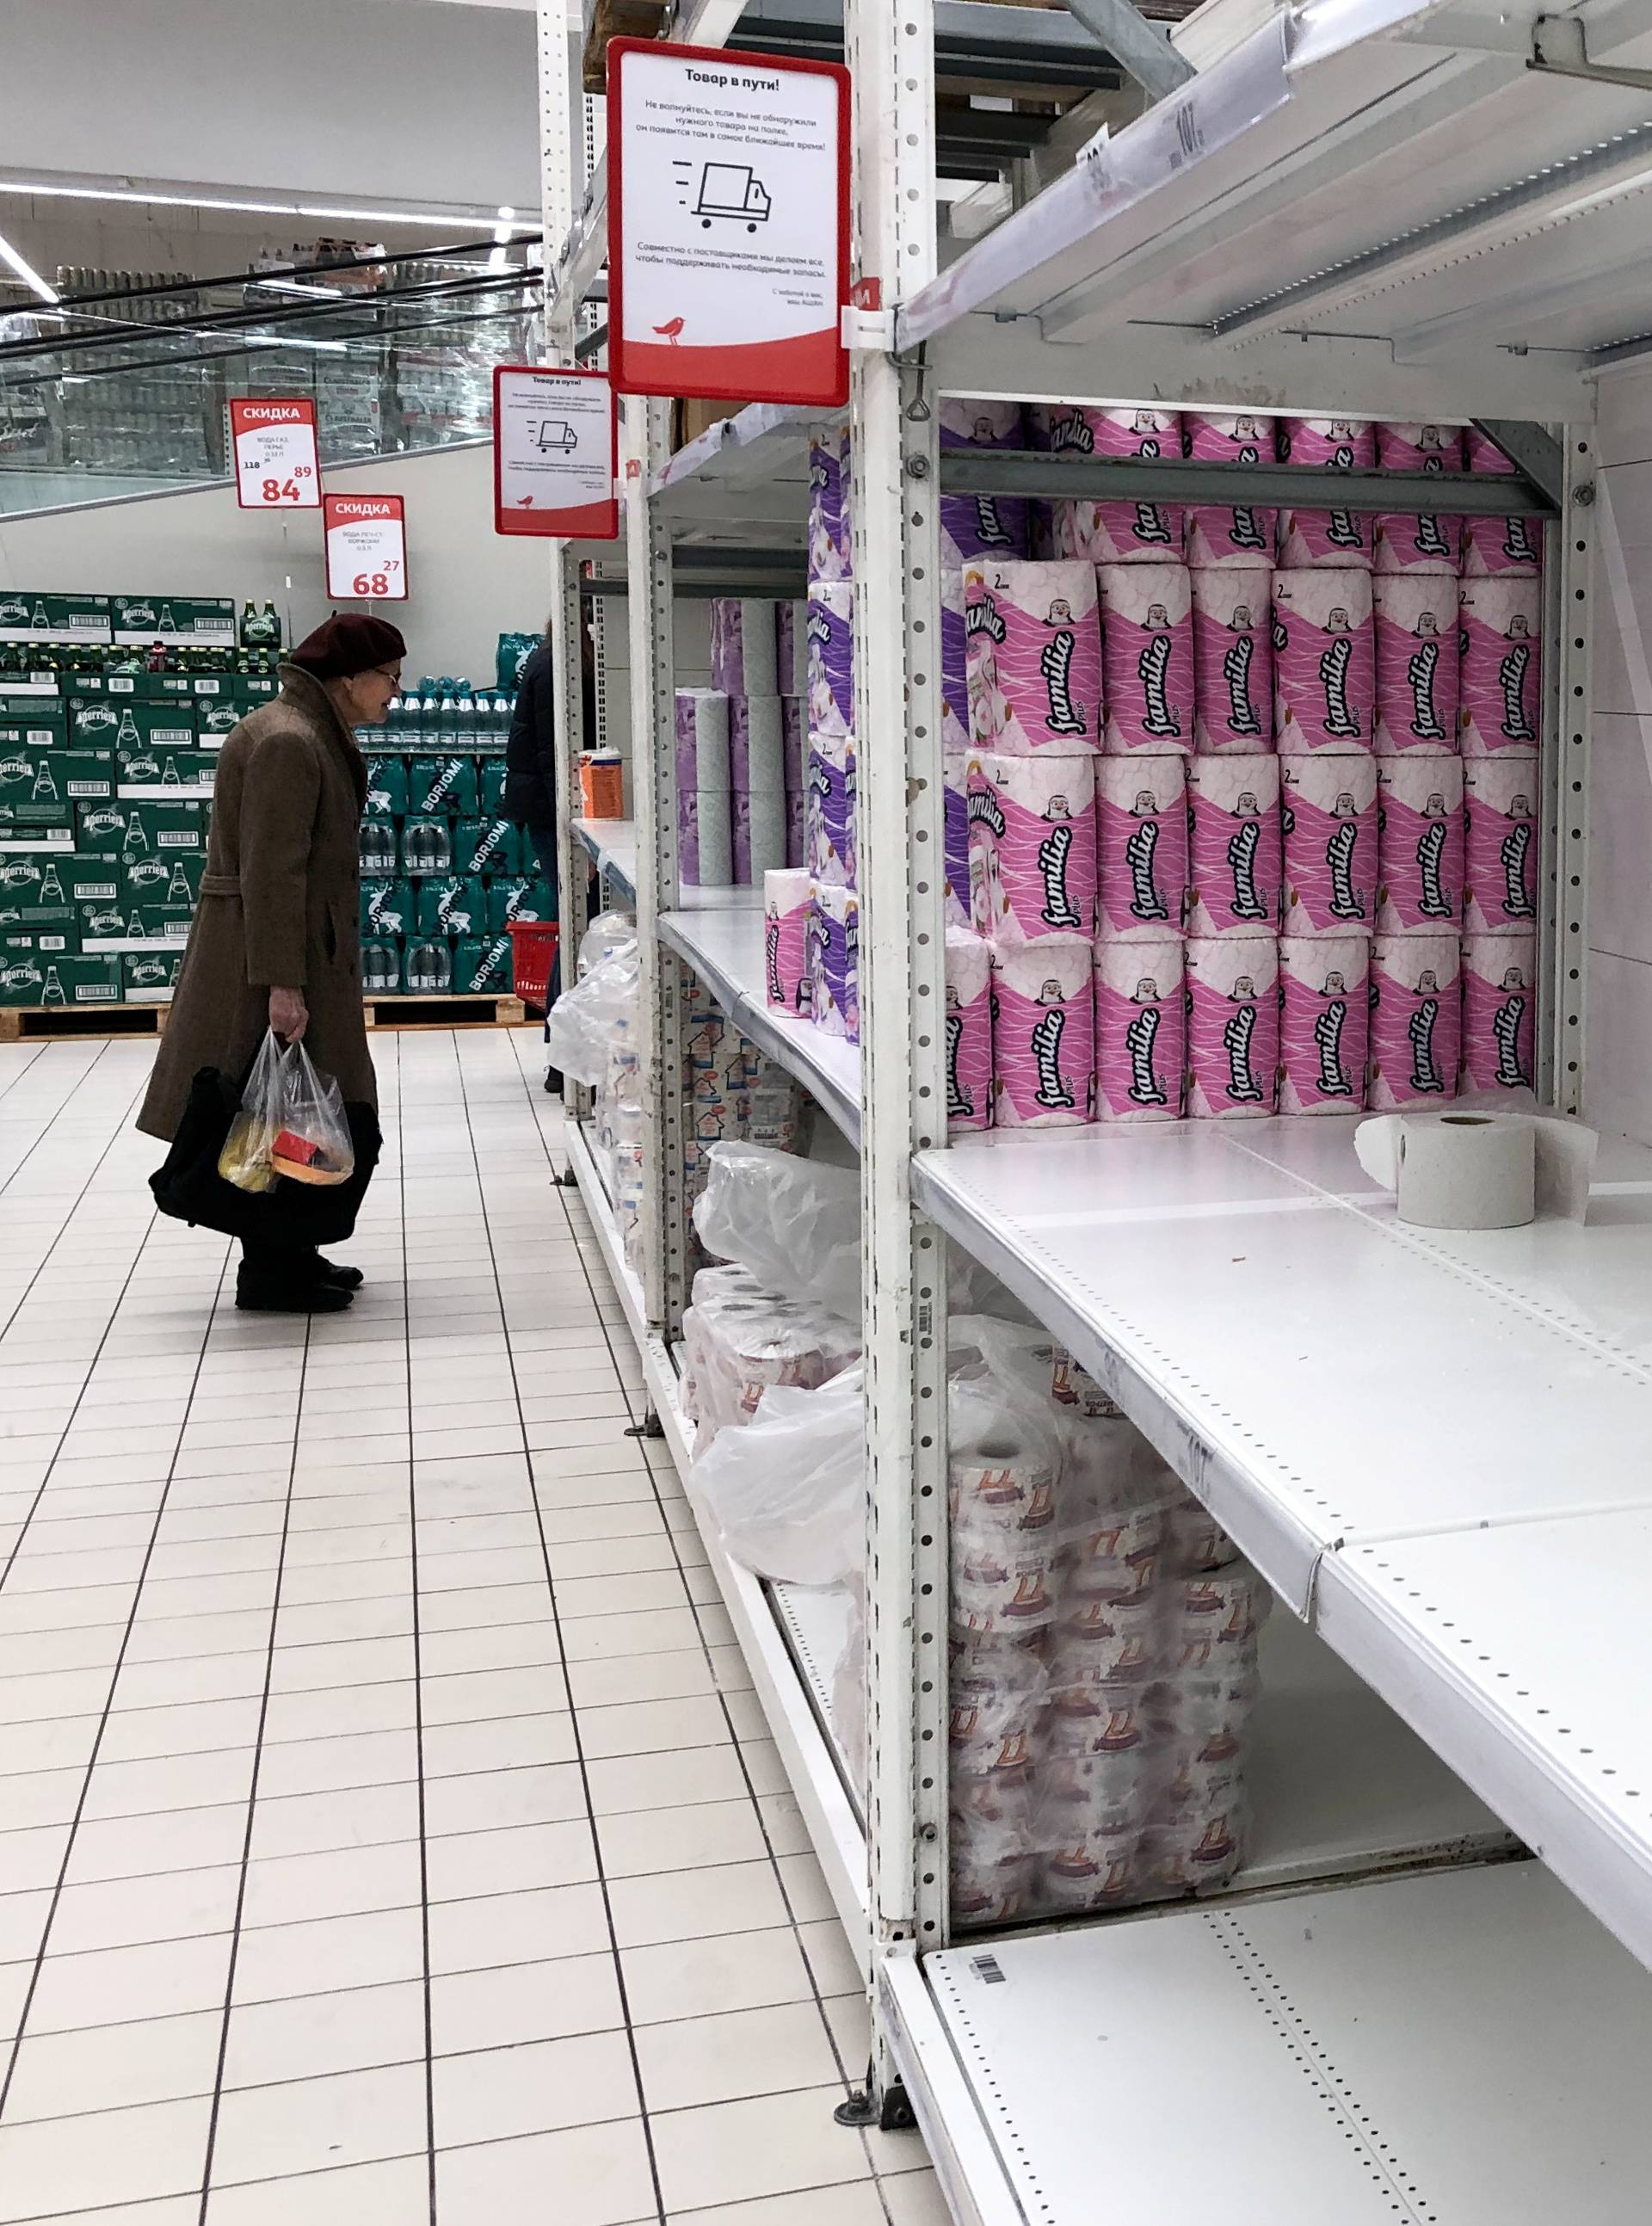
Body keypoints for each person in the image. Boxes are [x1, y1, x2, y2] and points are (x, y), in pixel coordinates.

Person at [137, 612, 405, 1314]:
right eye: (388, 678)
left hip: (299, 948)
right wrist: (283, 985)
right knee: (280, 1110)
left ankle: (295, 1252)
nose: (395, 693)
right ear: (349, 679)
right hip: (282, 958)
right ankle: (273, 1271)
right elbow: (273, 873)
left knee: (296, 1110)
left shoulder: (304, 729)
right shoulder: (290, 742)